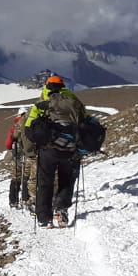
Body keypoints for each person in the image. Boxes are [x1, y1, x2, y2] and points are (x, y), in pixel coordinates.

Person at [24, 74, 86, 228]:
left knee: (45, 182)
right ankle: (61, 209)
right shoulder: (74, 101)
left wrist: (34, 145)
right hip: (70, 149)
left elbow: (28, 128)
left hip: (48, 150)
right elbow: (85, 121)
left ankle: (44, 218)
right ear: (63, 86)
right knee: (67, 180)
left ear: (47, 86)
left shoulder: (41, 104)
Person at [4, 108, 29, 209]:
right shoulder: (32, 125)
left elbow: (8, 145)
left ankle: (13, 201)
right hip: (29, 156)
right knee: (27, 178)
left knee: (15, 180)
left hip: (16, 157)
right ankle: (26, 200)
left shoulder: (14, 128)